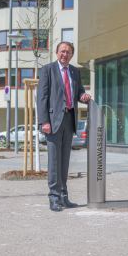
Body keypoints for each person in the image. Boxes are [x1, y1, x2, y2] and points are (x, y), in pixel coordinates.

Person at [37, 41, 91, 212]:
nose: (64, 54)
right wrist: (44, 121)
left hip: (69, 120)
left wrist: (83, 95)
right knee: (54, 161)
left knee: (65, 161)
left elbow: (78, 91)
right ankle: (53, 198)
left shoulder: (75, 71)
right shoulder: (47, 70)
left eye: (68, 52)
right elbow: (42, 97)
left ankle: (63, 196)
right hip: (53, 122)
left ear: (71, 55)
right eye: (62, 51)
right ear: (56, 52)